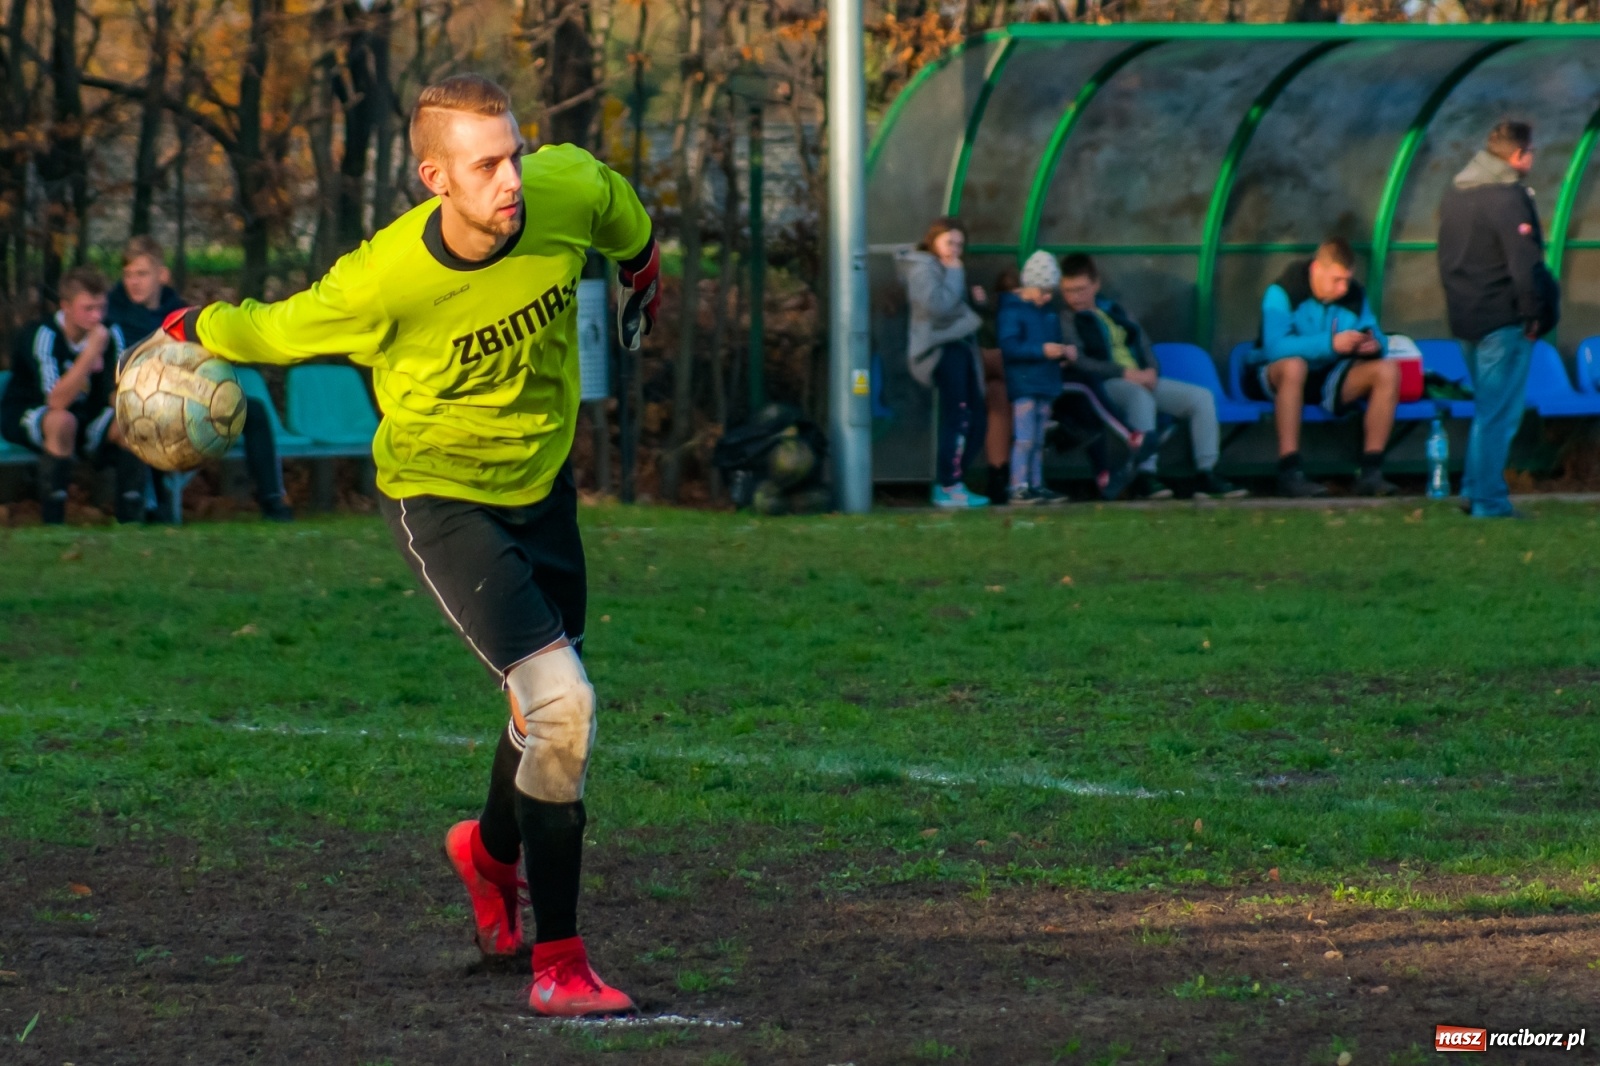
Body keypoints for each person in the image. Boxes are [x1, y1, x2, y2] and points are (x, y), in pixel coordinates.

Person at [144, 74, 653, 1016]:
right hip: (440, 500)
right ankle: (561, 966)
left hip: (540, 490)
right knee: (563, 706)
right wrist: (195, 326)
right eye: (487, 164)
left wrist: (643, 273)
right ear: (434, 178)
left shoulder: (566, 189)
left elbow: (628, 223)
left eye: (514, 152)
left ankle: (488, 855)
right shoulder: (382, 281)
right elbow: (276, 329)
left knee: (545, 716)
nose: (512, 179)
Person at [106, 235, 294, 522]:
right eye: (128, 275)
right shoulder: (112, 317)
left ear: (162, 275)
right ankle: (150, 508)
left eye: (142, 274)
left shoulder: (181, 314)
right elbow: (113, 377)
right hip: (132, 400)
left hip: (183, 394)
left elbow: (201, 360)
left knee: (251, 410)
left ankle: (273, 501)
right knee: (147, 415)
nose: (134, 282)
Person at [1438, 120, 1559, 519]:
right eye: (1531, 152)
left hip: (1466, 317)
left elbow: (1447, 260)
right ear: (1517, 155)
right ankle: (1489, 500)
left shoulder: (1456, 195)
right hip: (1502, 319)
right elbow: (1525, 264)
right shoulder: (1508, 199)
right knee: (1500, 414)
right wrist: (1535, 313)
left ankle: (1475, 490)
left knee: (1486, 409)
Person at [1058, 254, 1245, 501]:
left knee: (1201, 398)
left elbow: (1144, 343)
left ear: (1096, 284)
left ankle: (1206, 472)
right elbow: (1080, 361)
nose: (1075, 297)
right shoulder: (1066, 319)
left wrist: (1151, 371)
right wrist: (1125, 373)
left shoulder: (1116, 310)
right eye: (1068, 291)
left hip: (1140, 377)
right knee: (1139, 396)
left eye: (1081, 289)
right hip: (1106, 384)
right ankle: (1145, 475)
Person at [1245, 238, 1401, 498]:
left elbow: (1377, 333)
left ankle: (1371, 473)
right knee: (1294, 367)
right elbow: (1275, 348)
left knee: (1388, 371)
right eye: (1336, 280)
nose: (1343, 288)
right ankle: (1290, 471)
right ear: (1317, 269)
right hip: (1274, 375)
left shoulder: (1355, 294)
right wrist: (1331, 344)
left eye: (1347, 280)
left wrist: (1373, 345)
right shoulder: (1283, 291)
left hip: (1329, 376)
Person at [1, 267, 147, 524]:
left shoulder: (110, 332)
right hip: (31, 413)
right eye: (88, 309)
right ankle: (54, 521)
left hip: (87, 416)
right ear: (65, 306)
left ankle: (131, 520)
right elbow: (56, 401)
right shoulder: (43, 335)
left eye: (101, 308)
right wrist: (90, 354)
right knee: (62, 421)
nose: (97, 316)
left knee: (133, 422)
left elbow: (119, 389)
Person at [896, 216, 989, 508]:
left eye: (960, 245)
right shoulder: (924, 269)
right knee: (958, 415)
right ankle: (948, 485)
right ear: (933, 240)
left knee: (976, 417)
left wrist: (977, 303)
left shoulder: (944, 269)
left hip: (960, 348)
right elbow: (939, 307)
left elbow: (955, 307)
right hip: (942, 351)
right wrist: (955, 272)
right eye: (949, 242)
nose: (954, 250)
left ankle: (954, 480)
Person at [997, 252, 1073, 504]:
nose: (1047, 297)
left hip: (1046, 381)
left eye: (1050, 291)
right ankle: (1018, 485)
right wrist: (1041, 350)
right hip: (1025, 383)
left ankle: (1036, 484)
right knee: (1025, 438)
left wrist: (1063, 352)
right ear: (1028, 286)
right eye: (1042, 290)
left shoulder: (1048, 312)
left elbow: (1053, 341)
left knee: (1039, 439)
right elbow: (1009, 347)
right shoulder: (1012, 311)